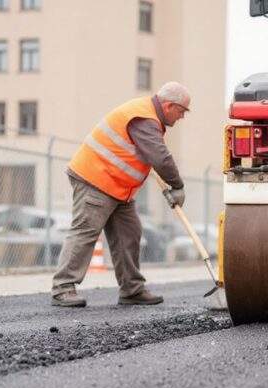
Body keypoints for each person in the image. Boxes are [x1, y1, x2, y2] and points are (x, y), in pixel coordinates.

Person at [51, 82, 190, 307]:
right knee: (85, 231)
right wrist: (178, 185)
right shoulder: (143, 118)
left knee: (130, 233)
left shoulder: (147, 115)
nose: (182, 116)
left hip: (117, 187)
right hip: (96, 179)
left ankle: (132, 290)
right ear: (168, 105)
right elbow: (160, 157)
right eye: (182, 111)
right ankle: (62, 289)